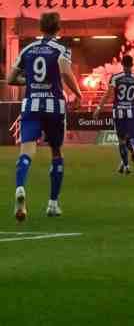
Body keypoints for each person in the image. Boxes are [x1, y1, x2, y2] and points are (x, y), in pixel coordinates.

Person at [8, 12, 81, 221]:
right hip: (54, 107)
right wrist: (78, 93)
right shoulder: (60, 50)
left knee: (26, 151)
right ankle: (53, 204)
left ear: (41, 28)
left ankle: (21, 187)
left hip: (31, 105)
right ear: (58, 28)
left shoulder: (28, 49)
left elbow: (11, 78)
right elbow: (66, 73)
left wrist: (29, 81)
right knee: (56, 152)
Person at [95, 55, 134, 175]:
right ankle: (130, 147)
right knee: (133, 137)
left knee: (121, 140)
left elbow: (108, 94)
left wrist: (98, 108)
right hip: (132, 112)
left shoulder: (116, 78)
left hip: (118, 112)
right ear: (132, 65)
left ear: (122, 64)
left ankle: (126, 166)